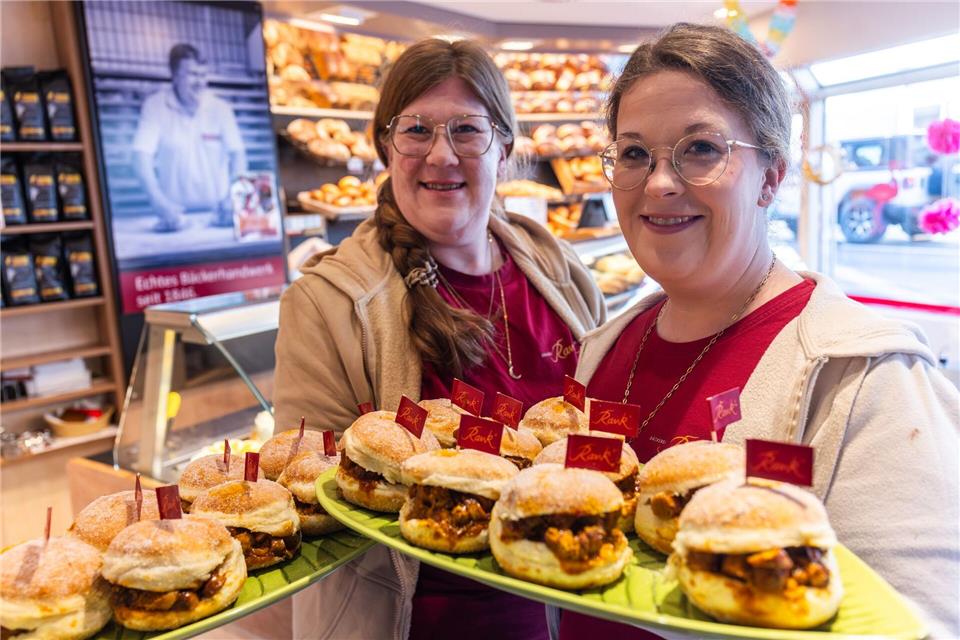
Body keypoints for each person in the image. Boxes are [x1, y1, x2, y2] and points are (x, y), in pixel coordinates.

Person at [560, 23, 960, 639]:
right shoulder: (601, 353)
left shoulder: (868, 376)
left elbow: (919, 621)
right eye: (634, 153)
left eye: (700, 148)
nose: (660, 183)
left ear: (771, 176)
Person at [273, 38, 605, 640]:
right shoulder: (327, 303)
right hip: (413, 621)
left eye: (468, 131)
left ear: (504, 148)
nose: (440, 155)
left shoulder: (560, 270)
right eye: (417, 130)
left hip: (573, 602)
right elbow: (310, 490)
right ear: (385, 147)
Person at [132, 43, 246, 232]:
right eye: (192, 74)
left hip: (218, 216)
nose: (200, 82)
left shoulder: (221, 109)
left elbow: (238, 156)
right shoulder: (155, 106)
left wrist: (233, 198)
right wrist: (158, 201)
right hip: (175, 217)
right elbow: (140, 157)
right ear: (174, 76)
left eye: (203, 75)